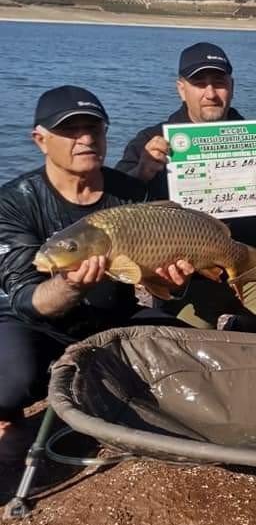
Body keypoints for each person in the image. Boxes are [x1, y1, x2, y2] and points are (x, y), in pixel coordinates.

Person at [0, 86, 194, 461]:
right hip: (32, 323)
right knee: (7, 383)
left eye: (95, 129)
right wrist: (70, 283)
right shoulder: (14, 201)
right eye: (70, 130)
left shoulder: (129, 193)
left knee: (188, 356)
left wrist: (175, 282)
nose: (86, 138)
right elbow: (26, 298)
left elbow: (156, 281)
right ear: (40, 140)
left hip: (112, 317)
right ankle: (9, 418)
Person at [116, 42, 256, 332]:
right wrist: (140, 173)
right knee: (185, 340)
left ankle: (245, 328)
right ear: (181, 89)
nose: (211, 93)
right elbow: (114, 205)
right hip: (186, 279)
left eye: (219, 82)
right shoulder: (151, 141)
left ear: (232, 85)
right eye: (199, 83)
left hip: (246, 265)